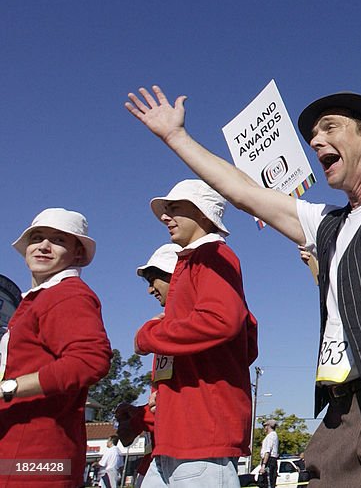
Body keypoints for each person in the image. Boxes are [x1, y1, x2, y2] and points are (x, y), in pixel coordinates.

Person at [126, 86, 361, 487]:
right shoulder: (325, 221)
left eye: (330, 127)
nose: (315, 141)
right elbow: (244, 193)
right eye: (312, 135)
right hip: (341, 417)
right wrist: (176, 137)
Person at [135, 180, 258, 488]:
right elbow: (242, 334)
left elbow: (222, 321)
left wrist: (150, 335)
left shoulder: (213, 255)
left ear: (203, 215)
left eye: (175, 208)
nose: (165, 216)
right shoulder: (197, 260)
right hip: (177, 440)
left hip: (202, 439)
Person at [0, 208, 112, 488]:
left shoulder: (66, 295)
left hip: (35, 456)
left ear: (77, 253)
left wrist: (9, 388)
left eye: (58, 240)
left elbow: (90, 359)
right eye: (37, 237)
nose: (44, 246)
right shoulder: (41, 299)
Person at [114, 244, 181, 485]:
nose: (150, 289)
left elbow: (184, 398)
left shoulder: (186, 327)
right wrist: (139, 414)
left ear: (177, 276)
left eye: (154, 280)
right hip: (163, 452)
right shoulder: (165, 329)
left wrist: (139, 419)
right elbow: (163, 398)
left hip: (190, 453)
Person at [260, 421, 280, 488]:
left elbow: (268, 451)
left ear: (268, 426)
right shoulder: (272, 435)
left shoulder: (271, 436)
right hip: (270, 460)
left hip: (269, 461)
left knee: (268, 483)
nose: (264, 428)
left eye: (265, 426)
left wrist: (263, 465)